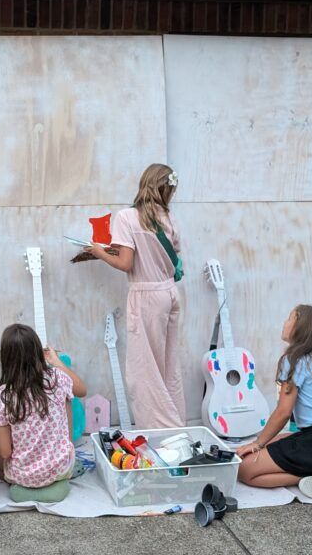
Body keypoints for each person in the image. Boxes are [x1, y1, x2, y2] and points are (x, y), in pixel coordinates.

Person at [86, 163, 185, 429]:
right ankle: (177, 423)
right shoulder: (167, 217)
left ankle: (161, 431)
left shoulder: (128, 217)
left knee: (144, 371)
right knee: (168, 366)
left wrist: (99, 252)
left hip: (147, 295)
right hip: (170, 293)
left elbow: (125, 263)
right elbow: (175, 256)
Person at [236, 306, 312, 500]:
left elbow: (284, 411)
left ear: (302, 328)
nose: (284, 323)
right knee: (278, 439)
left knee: (244, 470)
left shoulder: (293, 361)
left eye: (289, 318)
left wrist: (257, 443)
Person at [0, 324, 87, 502]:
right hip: (59, 468)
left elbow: (5, 453)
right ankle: (63, 464)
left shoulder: (3, 395)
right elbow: (82, 390)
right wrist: (56, 361)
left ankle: (24, 488)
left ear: (6, 358)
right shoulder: (57, 378)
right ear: (38, 352)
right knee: (66, 396)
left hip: (21, 477)